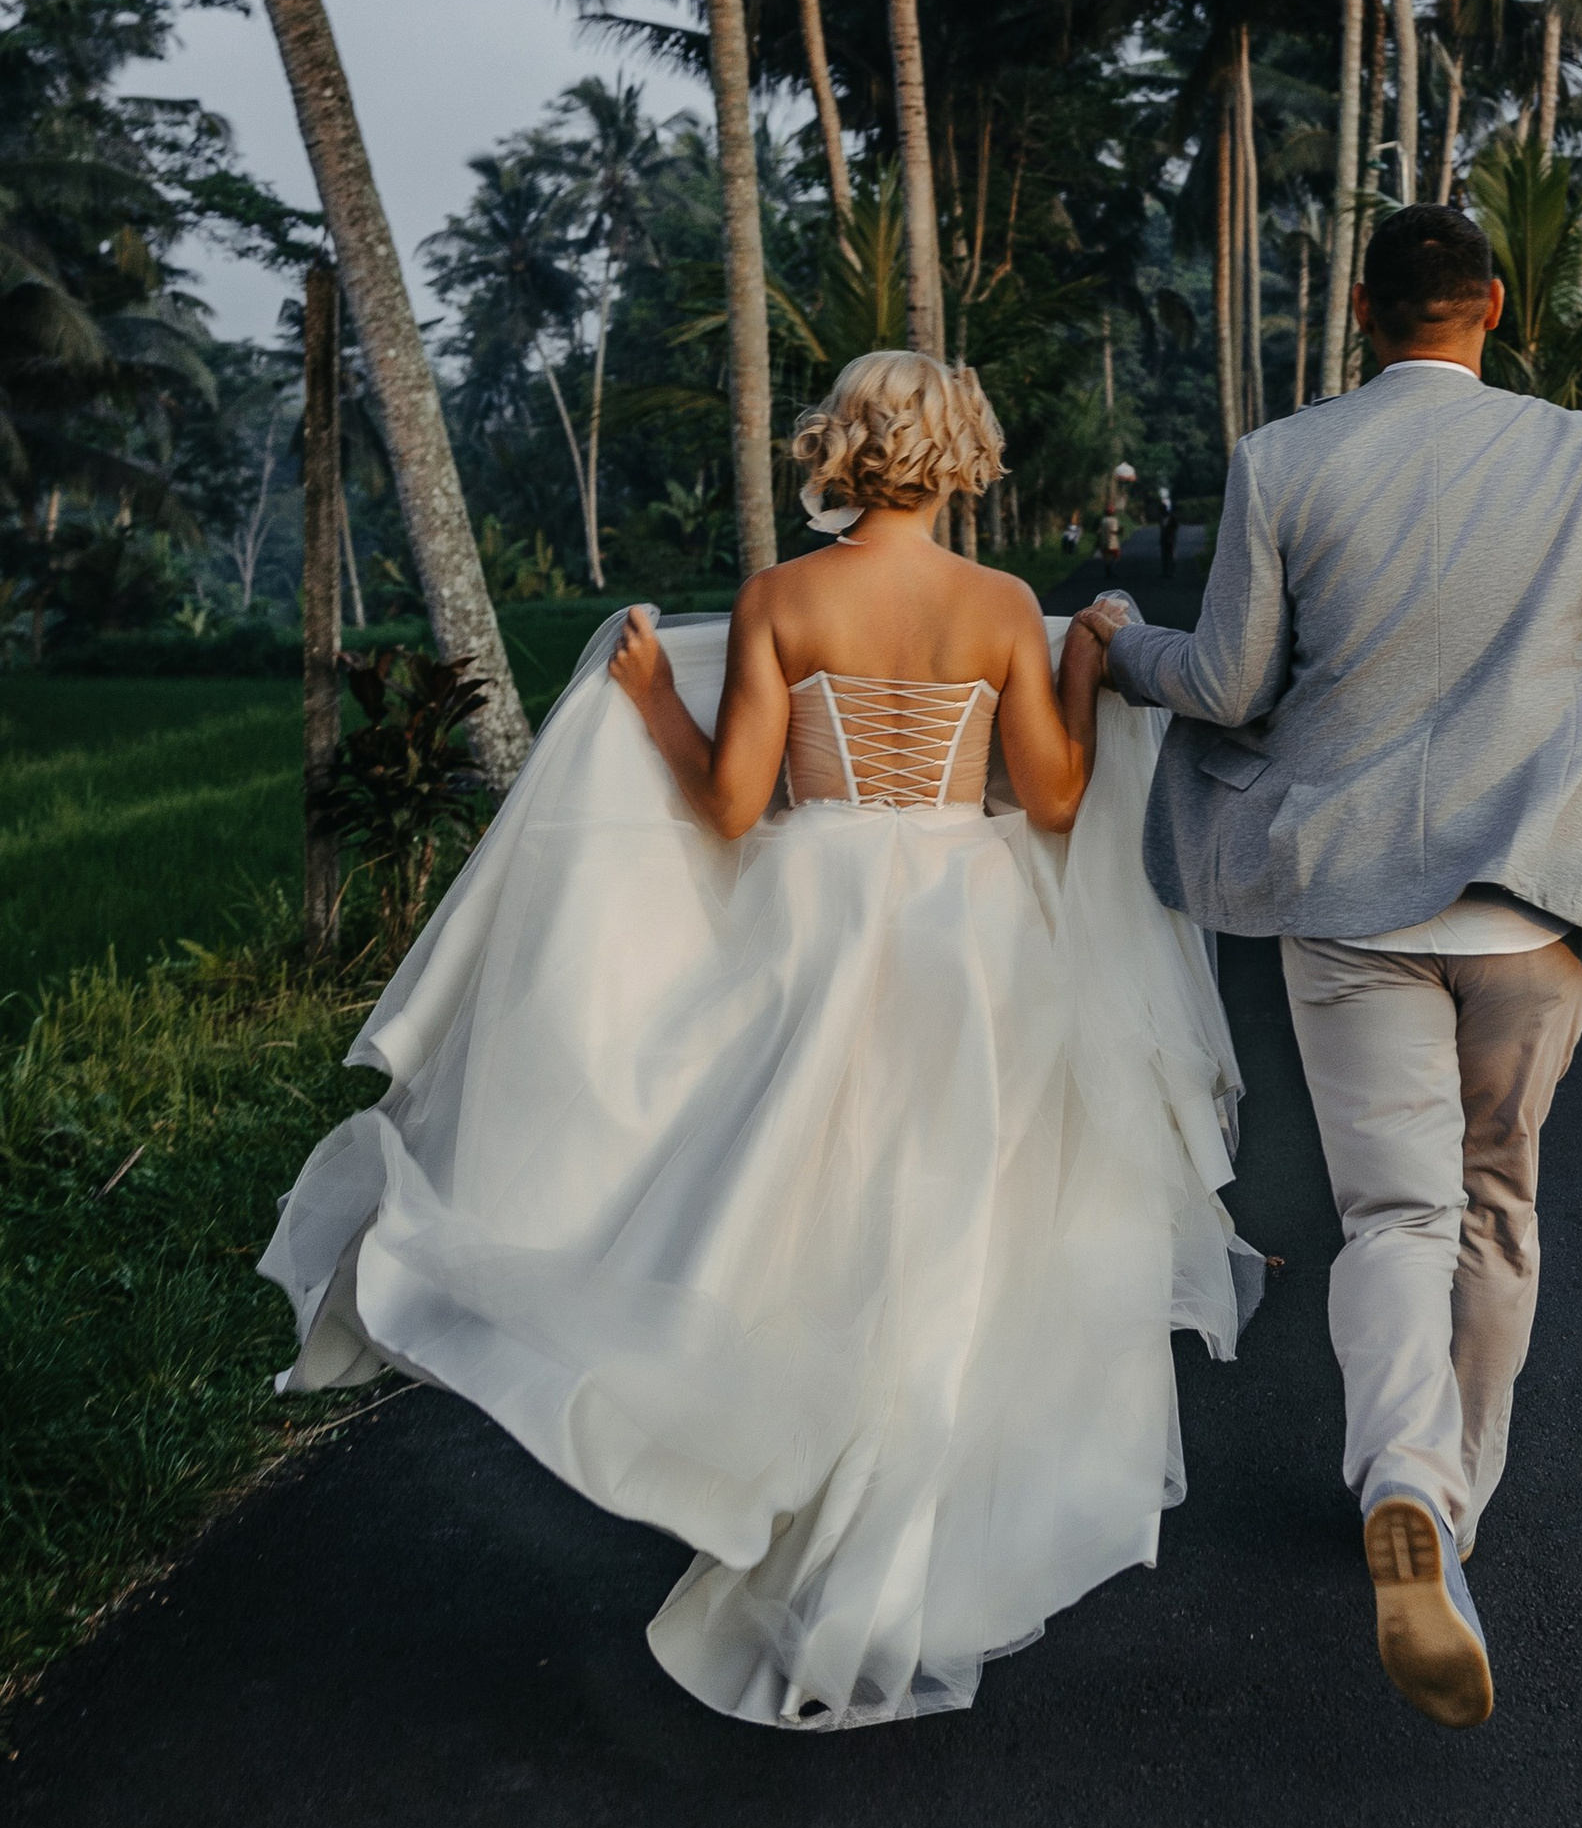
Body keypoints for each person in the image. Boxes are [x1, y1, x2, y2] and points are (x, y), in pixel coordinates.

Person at [263, 351, 1259, 1734]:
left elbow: (734, 808)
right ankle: (886, 1522)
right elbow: (1048, 797)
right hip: (969, 936)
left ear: (844, 448)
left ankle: (780, 1464)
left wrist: (650, 691)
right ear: (961, 454)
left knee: (798, 1204)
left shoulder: (784, 599)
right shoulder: (996, 607)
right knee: (949, 1220)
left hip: (823, 919)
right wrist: (1081, 659)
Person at [1081, 202, 1582, 1734]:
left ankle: (1403, 1480)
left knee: (1391, 1212)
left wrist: (1121, 641)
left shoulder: (1286, 459)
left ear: (1363, 311)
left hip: (1351, 904)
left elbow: (1231, 681)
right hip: (1535, 902)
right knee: (1496, 1206)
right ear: (1496, 305)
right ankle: (1455, 1506)